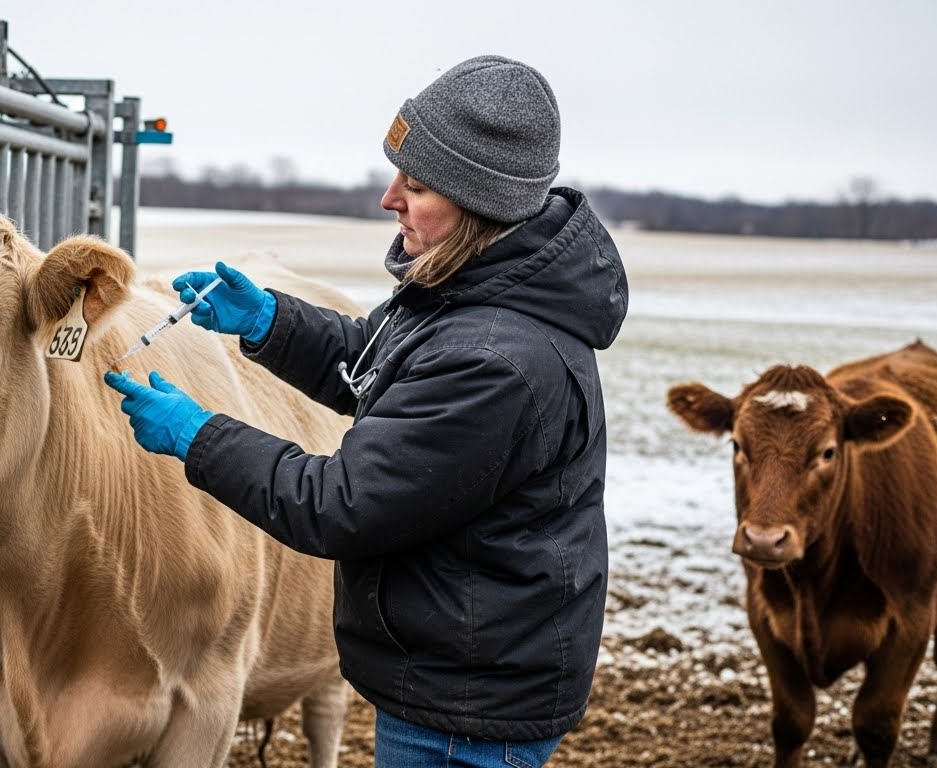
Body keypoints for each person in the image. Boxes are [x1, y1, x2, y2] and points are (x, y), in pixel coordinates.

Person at [103, 54, 627, 767]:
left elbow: (341, 505)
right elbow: (380, 364)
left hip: (467, 709)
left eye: (415, 184)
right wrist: (268, 321)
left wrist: (198, 436)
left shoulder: (495, 359)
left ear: (479, 201)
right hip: (458, 669)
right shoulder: (474, 292)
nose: (389, 199)